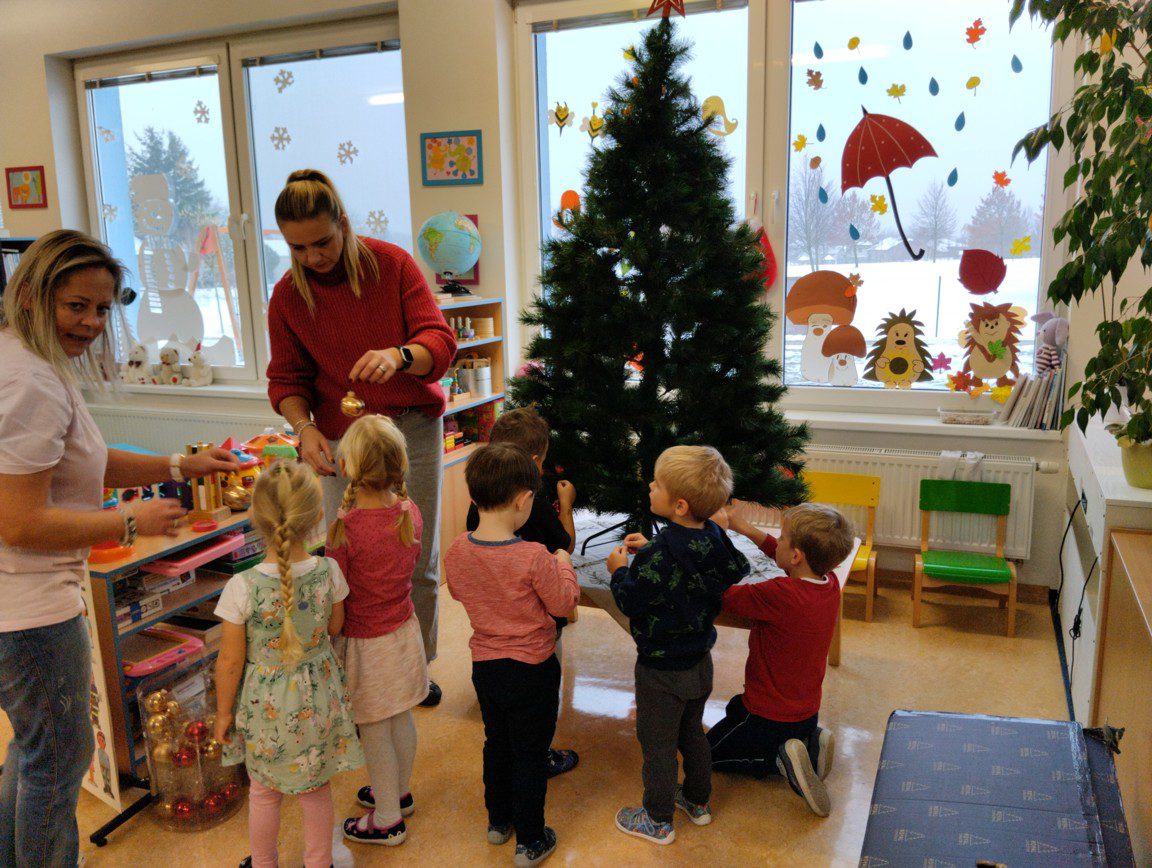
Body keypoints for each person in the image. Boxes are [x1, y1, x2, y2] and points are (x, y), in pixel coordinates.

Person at [0, 230, 237, 867]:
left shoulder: (30, 360)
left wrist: (178, 465)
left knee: (31, 751)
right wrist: (126, 523)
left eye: (103, 309)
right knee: (56, 761)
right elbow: (18, 522)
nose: (91, 322)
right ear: (32, 295)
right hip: (29, 612)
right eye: (75, 306)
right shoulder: (29, 382)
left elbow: (84, 461)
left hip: (19, 605)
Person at [266, 169, 456, 705]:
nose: (312, 257)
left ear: (344, 224)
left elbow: (440, 344)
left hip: (408, 430)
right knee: (345, 562)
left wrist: (400, 356)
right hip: (339, 439)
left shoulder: (391, 265)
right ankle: (355, 673)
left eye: (322, 242)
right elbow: (286, 380)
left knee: (413, 556)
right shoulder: (287, 296)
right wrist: (304, 429)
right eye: (297, 248)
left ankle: (416, 669)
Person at [214, 461, 363, 868]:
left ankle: (264, 863)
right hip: (318, 702)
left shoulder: (240, 587)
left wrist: (223, 713)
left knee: (264, 793)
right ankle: (319, 862)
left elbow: (230, 661)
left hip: (266, 710)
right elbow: (335, 626)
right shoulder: (329, 571)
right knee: (316, 791)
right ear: (316, 517)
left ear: (255, 517)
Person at [444, 444, 579, 867]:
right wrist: (563, 563)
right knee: (530, 753)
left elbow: (460, 591)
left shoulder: (457, 549)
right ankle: (531, 840)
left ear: (474, 497)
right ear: (524, 500)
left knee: (496, 743)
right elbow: (564, 604)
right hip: (532, 670)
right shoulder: (534, 556)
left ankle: (498, 822)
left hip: (486, 667)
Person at [607, 446, 750, 845]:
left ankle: (657, 820)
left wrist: (619, 571)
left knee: (658, 745)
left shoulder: (659, 555)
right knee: (692, 733)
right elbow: (732, 566)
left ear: (680, 505)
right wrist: (652, 549)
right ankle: (698, 802)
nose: (650, 486)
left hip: (660, 670)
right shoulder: (713, 536)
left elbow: (631, 601)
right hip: (700, 662)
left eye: (657, 484)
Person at [710, 502, 854, 818]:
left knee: (707, 754)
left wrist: (712, 538)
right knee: (734, 709)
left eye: (783, 537)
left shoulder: (778, 594)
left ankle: (778, 760)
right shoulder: (829, 584)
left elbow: (722, 597)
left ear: (797, 556)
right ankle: (810, 743)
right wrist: (744, 528)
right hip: (806, 712)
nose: (778, 540)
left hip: (768, 716)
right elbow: (785, 557)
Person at [326, 415, 427, 846]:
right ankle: (398, 793)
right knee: (400, 717)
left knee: (374, 731)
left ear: (345, 466)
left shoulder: (344, 530)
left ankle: (387, 819)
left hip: (367, 647)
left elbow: (337, 601)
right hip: (403, 634)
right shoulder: (409, 512)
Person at [464, 407, 578, 779]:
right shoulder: (536, 505)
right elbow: (564, 547)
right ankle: (538, 757)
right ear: (531, 463)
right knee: (538, 708)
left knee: (497, 728)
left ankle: (506, 774)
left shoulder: (477, 509)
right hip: (538, 638)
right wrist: (566, 505)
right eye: (541, 463)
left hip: (489, 643)